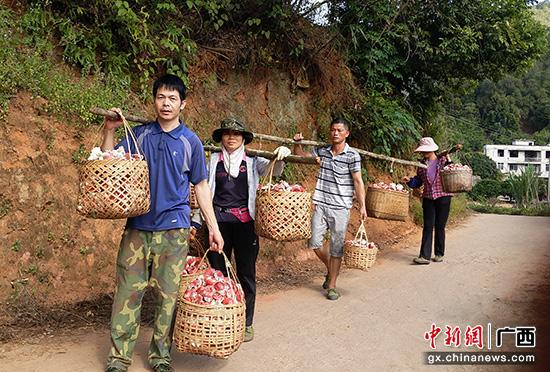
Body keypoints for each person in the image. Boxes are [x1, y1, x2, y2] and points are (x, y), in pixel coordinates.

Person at [102, 74, 223, 372]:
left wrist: (214, 227)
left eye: (172, 98)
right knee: (127, 294)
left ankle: (160, 357)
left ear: (183, 104)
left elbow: (201, 187)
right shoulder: (140, 134)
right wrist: (109, 130)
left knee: (167, 297)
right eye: (160, 97)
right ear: (154, 100)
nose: (165, 103)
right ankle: (119, 359)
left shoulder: (190, 142)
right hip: (137, 228)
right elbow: (108, 159)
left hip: (174, 229)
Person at [192, 118, 290, 342]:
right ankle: (223, 317)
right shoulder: (213, 160)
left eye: (236, 134)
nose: (231, 137)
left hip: (246, 226)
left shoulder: (253, 161)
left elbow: (274, 171)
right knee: (218, 273)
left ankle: (246, 322)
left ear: (244, 138)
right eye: (227, 133)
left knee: (246, 273)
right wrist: (198, 221)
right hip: (218, 225)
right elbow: (203, 190)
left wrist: (279, 155)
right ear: (221, 138)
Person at [293, 117, 367, 301]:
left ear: (346, 134)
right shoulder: (322, 151)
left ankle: (332, 285)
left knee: (336, 247)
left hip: (341, 207)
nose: (335, 133)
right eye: (333, 130)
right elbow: (301, 157)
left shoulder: (352, 156)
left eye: (339, 130)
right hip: (321, 203)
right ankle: (331, 269)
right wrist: (297, 144)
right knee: (315, 242)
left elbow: (358, 181)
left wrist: (363, 205)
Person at [402, 137, 452, 265]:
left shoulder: (442, 160)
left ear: (432, 150)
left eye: (426, 150)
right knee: (428, 226)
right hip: (428, 197)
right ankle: (424, 256)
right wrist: (410, 181)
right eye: (422, 151)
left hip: (443, 196)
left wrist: (449, 160)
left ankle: (439, 253)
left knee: (440, 226)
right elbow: (419, 181)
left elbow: (451, 171)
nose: (424, 153)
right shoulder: (421, 165)